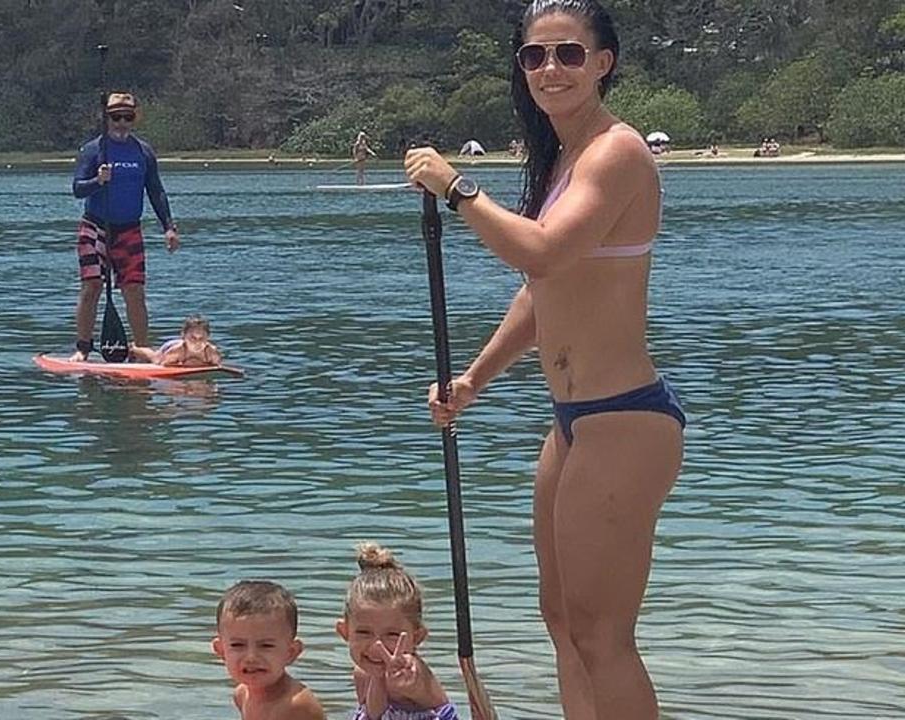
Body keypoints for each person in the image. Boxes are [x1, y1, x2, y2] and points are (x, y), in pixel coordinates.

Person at [403, 1, 684, 718]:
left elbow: (544, 250)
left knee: (603, 635)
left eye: (567, 53)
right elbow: (543, 288)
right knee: (561, 620)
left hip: (625, 418)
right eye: (534, 56)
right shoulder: (563, 157)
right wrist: (473, 379)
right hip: (571, 421)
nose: (550, 68)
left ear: (602, 63)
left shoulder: (617, 151)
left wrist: (459, 187)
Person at [69, 92, 180, 361]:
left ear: (134, 118)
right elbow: (77, 190)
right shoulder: (93, 150)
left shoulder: (143, 152)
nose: (121, 122)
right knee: (92, 285)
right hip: (95, 227)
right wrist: (98, 180)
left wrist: (168, 226)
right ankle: (83, 348)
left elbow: (156, 191)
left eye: (127, 117)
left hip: (129, 229)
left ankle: (141, 349)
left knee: (134, 290)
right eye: (116, 117)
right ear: (106, 118)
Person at [335, 543, 458, 720]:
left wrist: (399, 680)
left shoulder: (410, 671)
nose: (377, 645)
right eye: (363, 632)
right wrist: (377, 678)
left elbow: (409, 686)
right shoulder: (362, 672)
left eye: (392, 635)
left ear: (417, 637)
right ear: (344, 631)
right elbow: (375, 714)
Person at [212, 580, 327, 720]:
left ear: (291, 652)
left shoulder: (296, 706)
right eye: (237, 645)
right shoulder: (242, 694)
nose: (251, 657)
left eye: (266, 646)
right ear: (221, 650)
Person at [129, 314, 223, 366]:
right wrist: (182, 364)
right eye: (192, 338)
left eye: (201, 338)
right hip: (170, 347)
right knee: (154, 357)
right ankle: (134, 348)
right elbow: (163, 365)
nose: (197, 342)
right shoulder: (177, 351)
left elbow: (218, 366)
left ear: (208, 338)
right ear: (183, 336)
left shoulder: (211, 352)